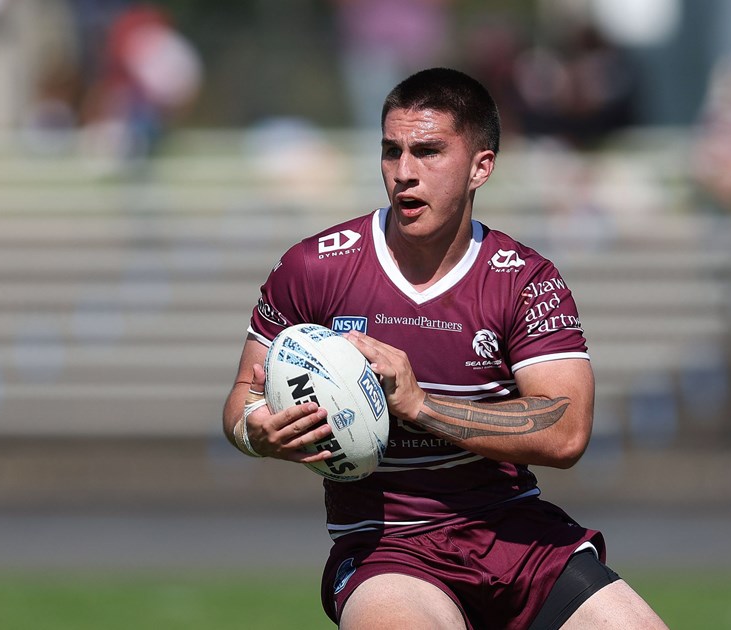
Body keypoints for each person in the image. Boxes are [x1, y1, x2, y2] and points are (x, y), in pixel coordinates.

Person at [222, 68, 666, 630]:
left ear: (482, 165)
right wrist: (256, 433)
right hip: (388, 549)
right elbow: (242, 399)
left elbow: (567, 431)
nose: (404, 173)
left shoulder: (523, 279)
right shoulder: (313, 267)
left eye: (428, 152)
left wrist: (419, 405)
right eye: (391, 151)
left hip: (516, 536)